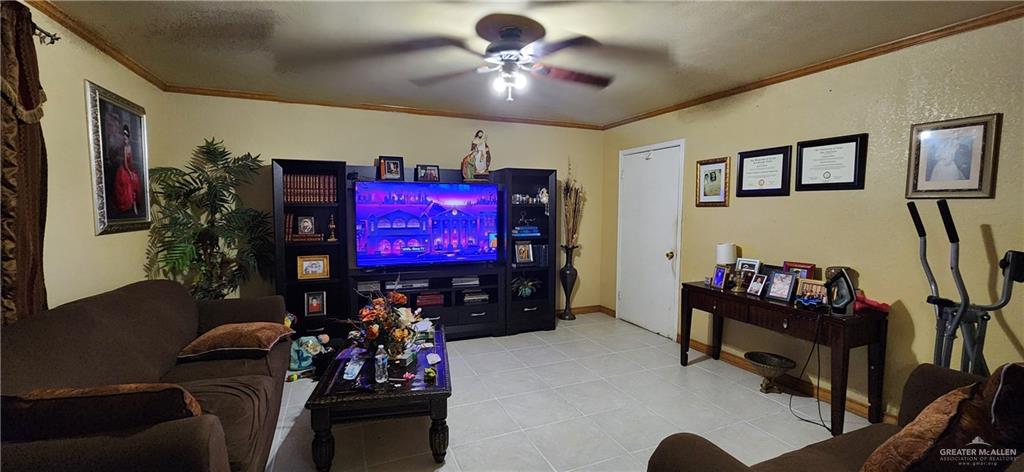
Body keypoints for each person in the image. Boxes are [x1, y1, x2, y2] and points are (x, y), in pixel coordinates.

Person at [113, 124, 141, 215]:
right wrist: (129, 172)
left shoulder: (130, 147)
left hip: (129, 168)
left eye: (126, 135)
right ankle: (129, 204)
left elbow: (131, 162)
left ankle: (135, 203)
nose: (125, 137)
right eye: (123, 135)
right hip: (124, 169)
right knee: (128, 181)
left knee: (135, 179)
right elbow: (125, 163)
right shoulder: (124, 148)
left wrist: (132, 171)